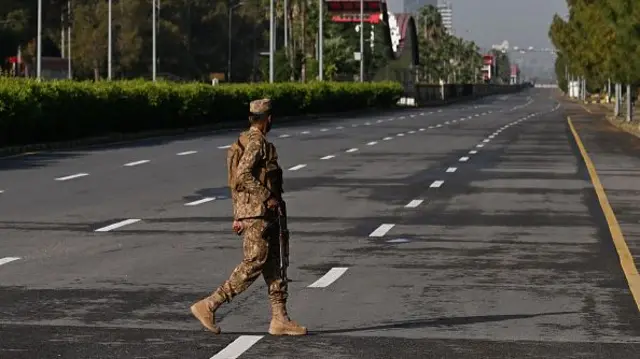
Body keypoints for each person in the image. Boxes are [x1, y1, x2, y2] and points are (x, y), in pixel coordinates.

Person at [190, 98, 307, 336]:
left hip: (260, 213)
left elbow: (236, 183)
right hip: (259, 213)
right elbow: (242, 175)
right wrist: (267, 197)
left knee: (276, 264)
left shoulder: (244, 140)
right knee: (255, 261)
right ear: (269, 119)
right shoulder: (256, 142)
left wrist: (239, 213)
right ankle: (210, 304)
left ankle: (280, 318)